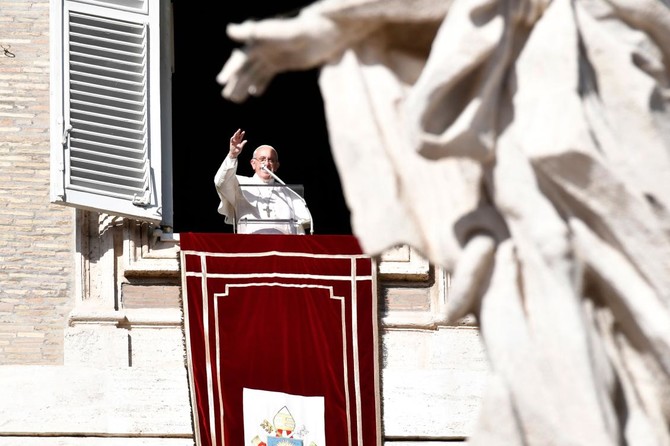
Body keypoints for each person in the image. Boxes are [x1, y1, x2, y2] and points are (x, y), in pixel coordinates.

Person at [214, 128, 312, 234]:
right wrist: (232, 155)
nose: (266, 163)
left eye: (271, 160)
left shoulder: (288, 192)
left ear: (277, 166)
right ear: (253, 163)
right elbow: (221, 182)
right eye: (262, 159)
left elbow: (299, 230)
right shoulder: (240, 184)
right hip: (251, 246)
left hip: (283, 247)